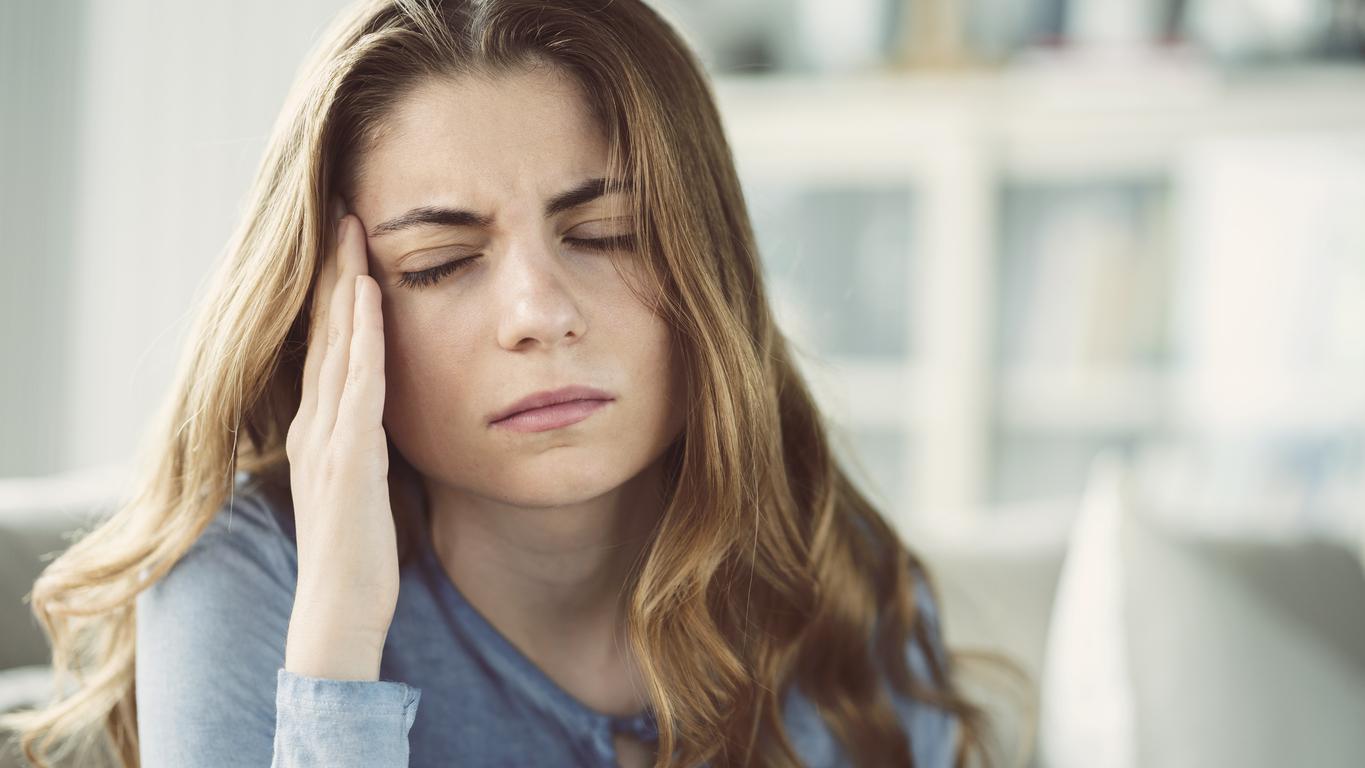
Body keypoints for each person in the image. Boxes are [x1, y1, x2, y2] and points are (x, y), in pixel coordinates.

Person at [2, 0, 994, 766]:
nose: (538, 312)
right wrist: (338, 644)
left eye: (608, 235)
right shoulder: (247, 578)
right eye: (438, 262)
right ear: (331, 314)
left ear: (712, 270)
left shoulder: (835, 572)